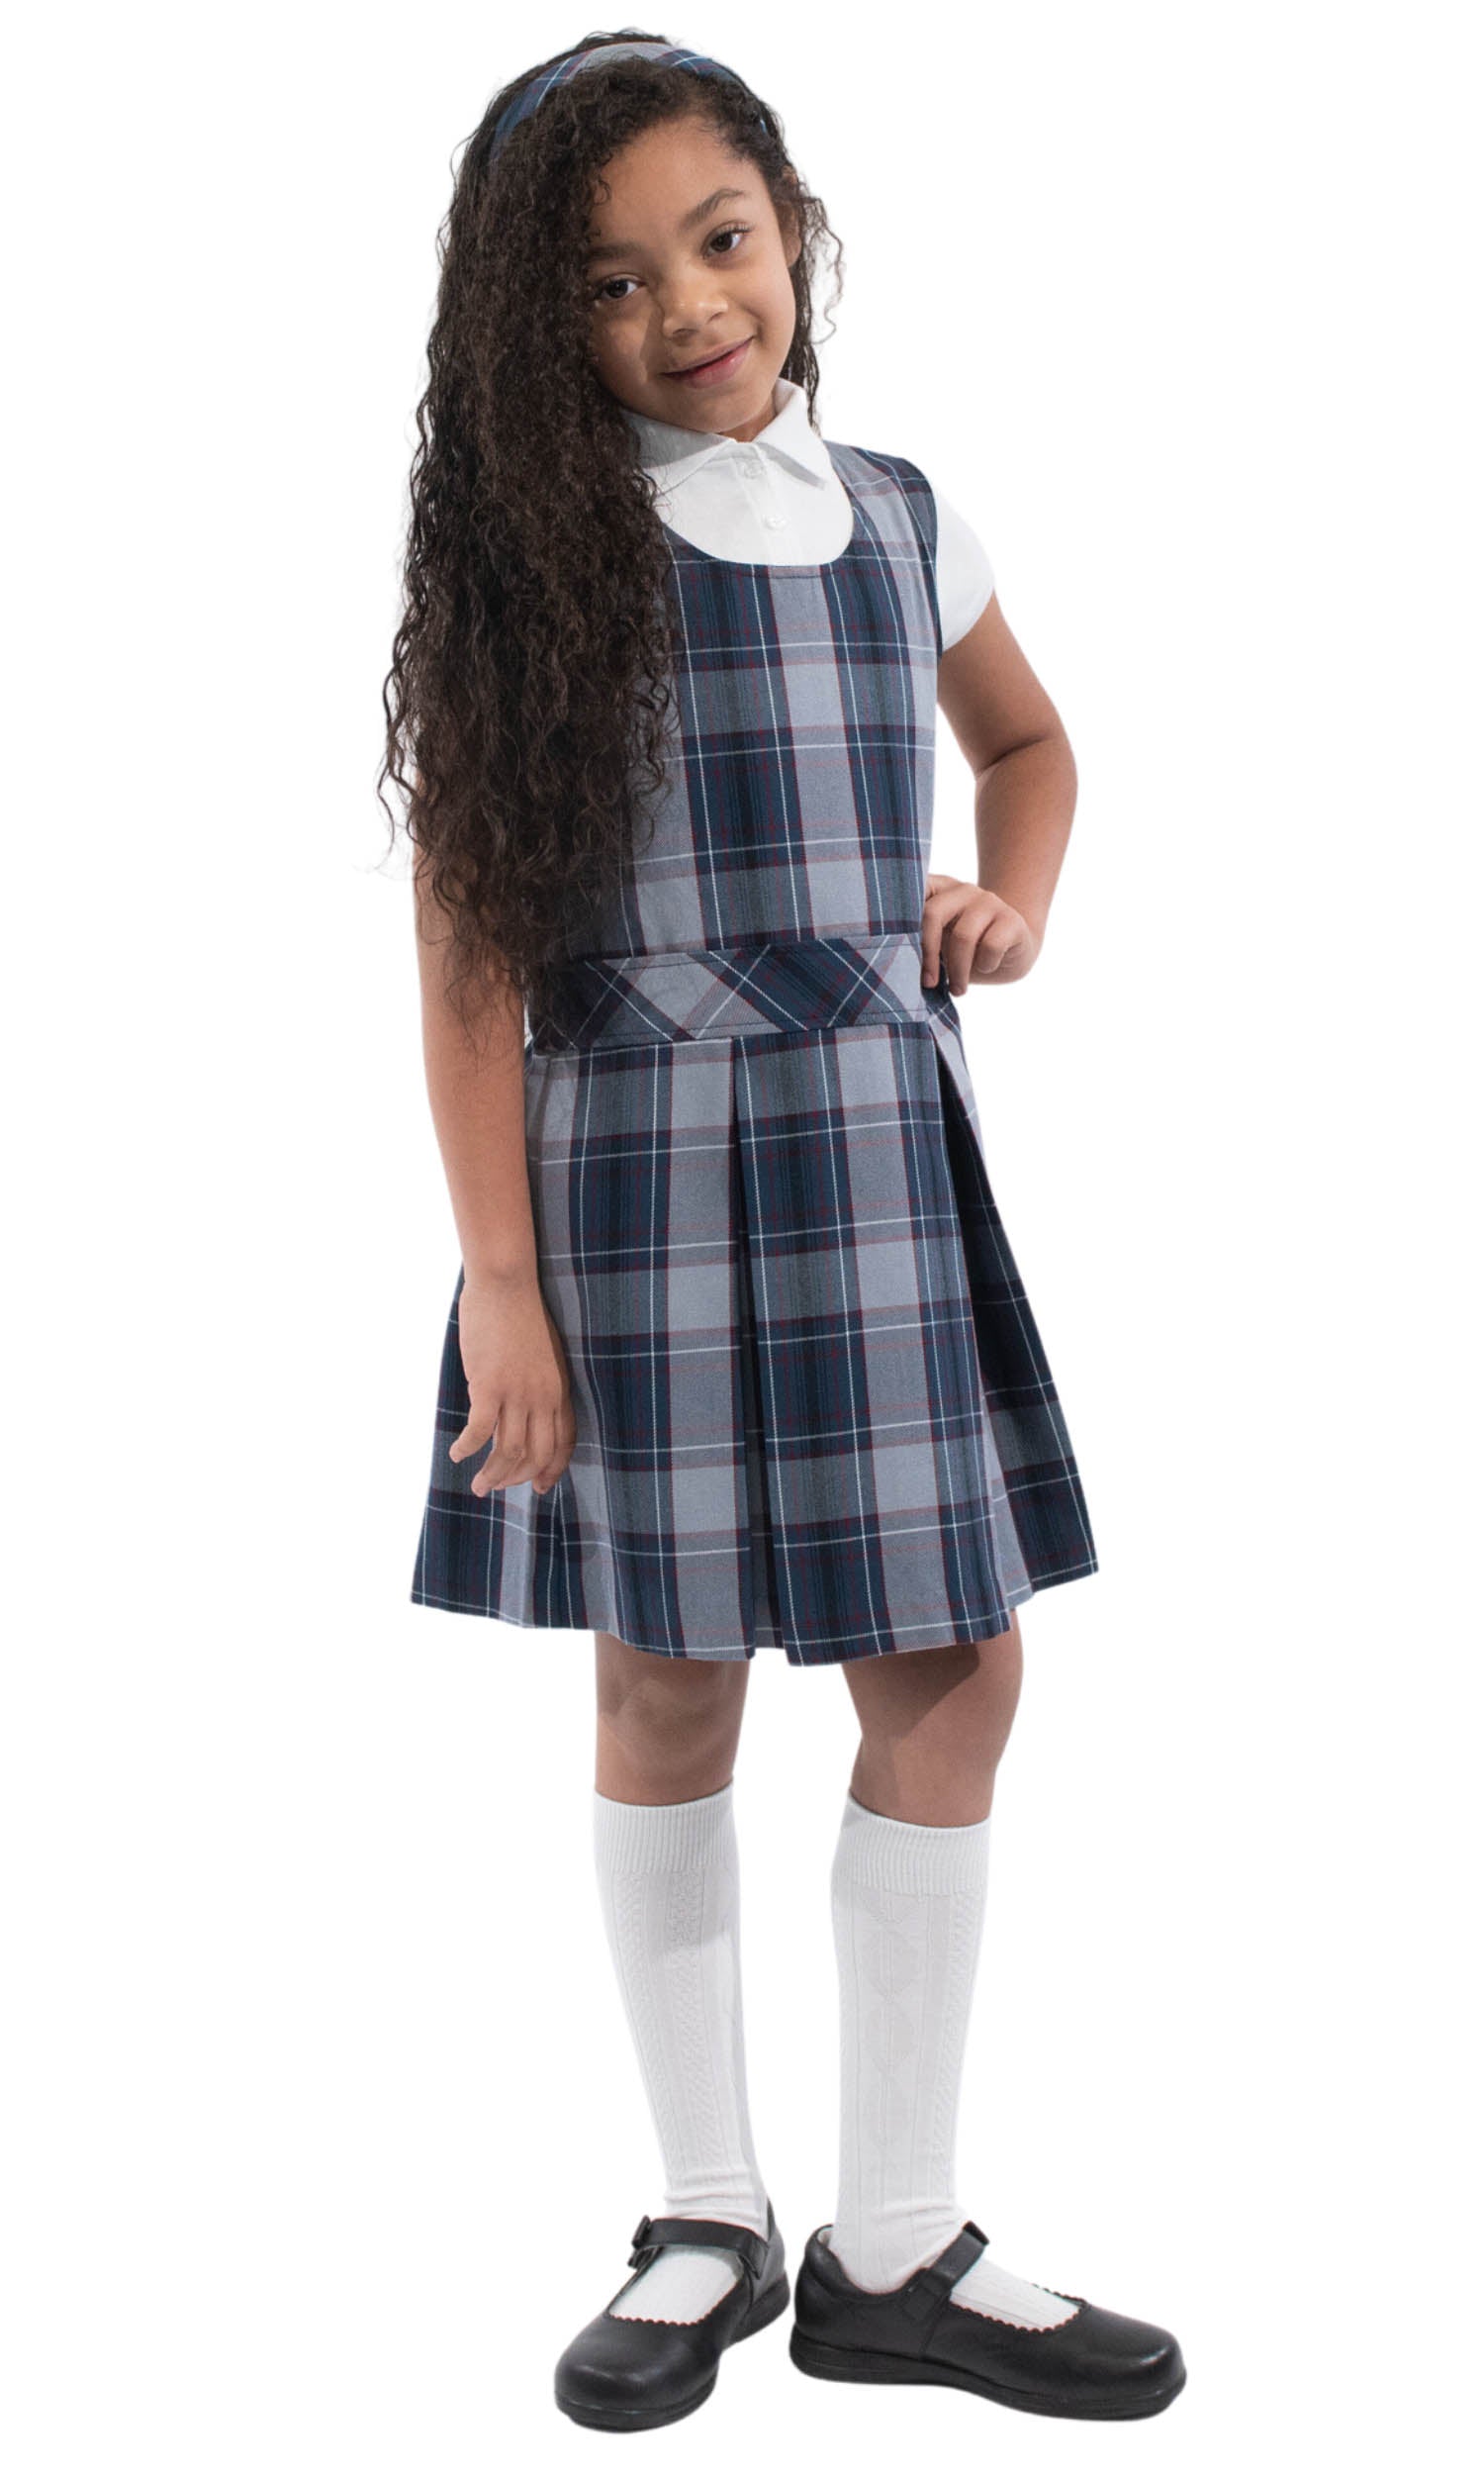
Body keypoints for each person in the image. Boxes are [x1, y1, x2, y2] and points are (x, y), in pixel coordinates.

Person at [383, 29, 1186, 2433]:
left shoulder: (905, 515)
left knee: (954, 1663)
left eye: (719, 241)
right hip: (628, 1183)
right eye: (611, 285)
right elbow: (469, 949)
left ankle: (897, 2236)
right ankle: (706, 2206)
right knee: (666, 1678)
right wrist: (500, 1285)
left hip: (867, 1166)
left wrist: (1003, 899)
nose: (689, 309)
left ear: (792, 225)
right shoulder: (542, 570)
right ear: (539, 335)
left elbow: (1032, 744)